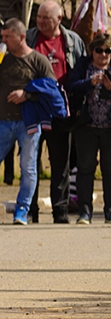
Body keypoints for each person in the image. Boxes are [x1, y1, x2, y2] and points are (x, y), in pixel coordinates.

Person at [65, 34, 111, 224]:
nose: (103, 55)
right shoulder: (83, 66)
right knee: (85, 169)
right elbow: (70, 85)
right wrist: (90, 83)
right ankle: (84, 212)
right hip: (86, 126)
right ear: (92, 50)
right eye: (99, 50)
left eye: (108, 51)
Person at [27, 0, 86, 224]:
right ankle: (29, 209)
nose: (41, 22)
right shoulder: (29, 37)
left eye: (46, 18)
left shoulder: (72, 40)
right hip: (33, 107)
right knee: (30, 160)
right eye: (39, 17)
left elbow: (80, 71)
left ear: (59, 19)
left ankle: (59, 210)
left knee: (60, 163)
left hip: (61, 110)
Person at [0, 18, 56, 225]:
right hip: (2, 121)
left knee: (28, 168)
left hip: (29, 123)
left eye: (8, 36)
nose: (3, 40)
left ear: (21, 37)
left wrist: (27, 95)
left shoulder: (39, 60)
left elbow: (52, 91)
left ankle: (22, 211)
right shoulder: (2, 58)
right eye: (2, 36)